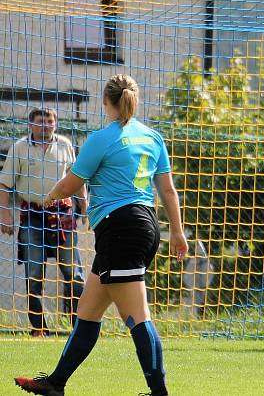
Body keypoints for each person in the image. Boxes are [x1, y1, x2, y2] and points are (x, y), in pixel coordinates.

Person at [13, 75, 188, 396]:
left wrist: (49, 195)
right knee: (88, 311)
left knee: (137, 315)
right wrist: (176, 232)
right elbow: (168, 190)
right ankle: (55, 383)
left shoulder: (101, 138)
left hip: (121, 229)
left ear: (106, 101)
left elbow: (71, 182)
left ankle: (159, 391)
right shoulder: (152, 137)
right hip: (143, 226)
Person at [0, 107, 87, 337]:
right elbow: (4, 184)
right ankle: (39, 329)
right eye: (41, 122)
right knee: (34, 273)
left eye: (50, 121)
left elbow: (76, 178)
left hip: (63, 216)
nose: (46, 125)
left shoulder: (65, 145)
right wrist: (5, 215)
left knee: (74, 274)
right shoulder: (19, 148)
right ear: (31, 125)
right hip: (33, 217)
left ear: (55, 124)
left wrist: (85, 206)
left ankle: (79, 327)